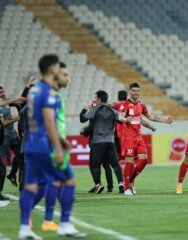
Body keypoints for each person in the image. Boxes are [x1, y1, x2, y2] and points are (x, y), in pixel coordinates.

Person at [18, 55, 85, 239]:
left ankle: (24, 228)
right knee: (69, 181)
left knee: (31, 187)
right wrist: (57, 146)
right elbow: (48, 121)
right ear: (52, 69)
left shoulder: (34, 90)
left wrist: (61, 141)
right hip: (46, 146)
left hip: (31, 145)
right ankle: (64, 224)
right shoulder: (49, 93)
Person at [120, 82, 173, 196]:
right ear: (130, 91)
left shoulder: (141, 104)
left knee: (144, 160)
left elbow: (150, 116)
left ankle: (130, 181)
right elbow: (120, 117)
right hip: (128, 137)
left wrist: (164, 120)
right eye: (134, 91)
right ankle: (126, 188)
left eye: (138, 91)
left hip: (138, 137)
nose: (136, 93)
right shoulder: (125, 104)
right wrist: (125, 120)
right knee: (129, 161)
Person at [81, 90, 127, 194]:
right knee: (115, 164)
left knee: (95, 165)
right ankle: (121, 183)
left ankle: (98, 184)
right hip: (110, 142)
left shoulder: (95, 110)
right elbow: (121, 119)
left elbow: (82, 119)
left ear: (99, 99)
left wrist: (86, 108)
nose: (95, 100)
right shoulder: (112, 111)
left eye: (96, 98)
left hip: (97, 142)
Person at [0, 97, 25, 200]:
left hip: (13, 136)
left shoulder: (5, 103)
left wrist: (16, 103)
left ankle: (12, 174)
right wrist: (17, 118)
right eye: (0, 92)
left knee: (22, 155)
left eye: (3, 91)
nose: (3, 93)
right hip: (3, 138)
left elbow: (8, 103)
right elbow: (4, 123)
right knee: (1, 167)